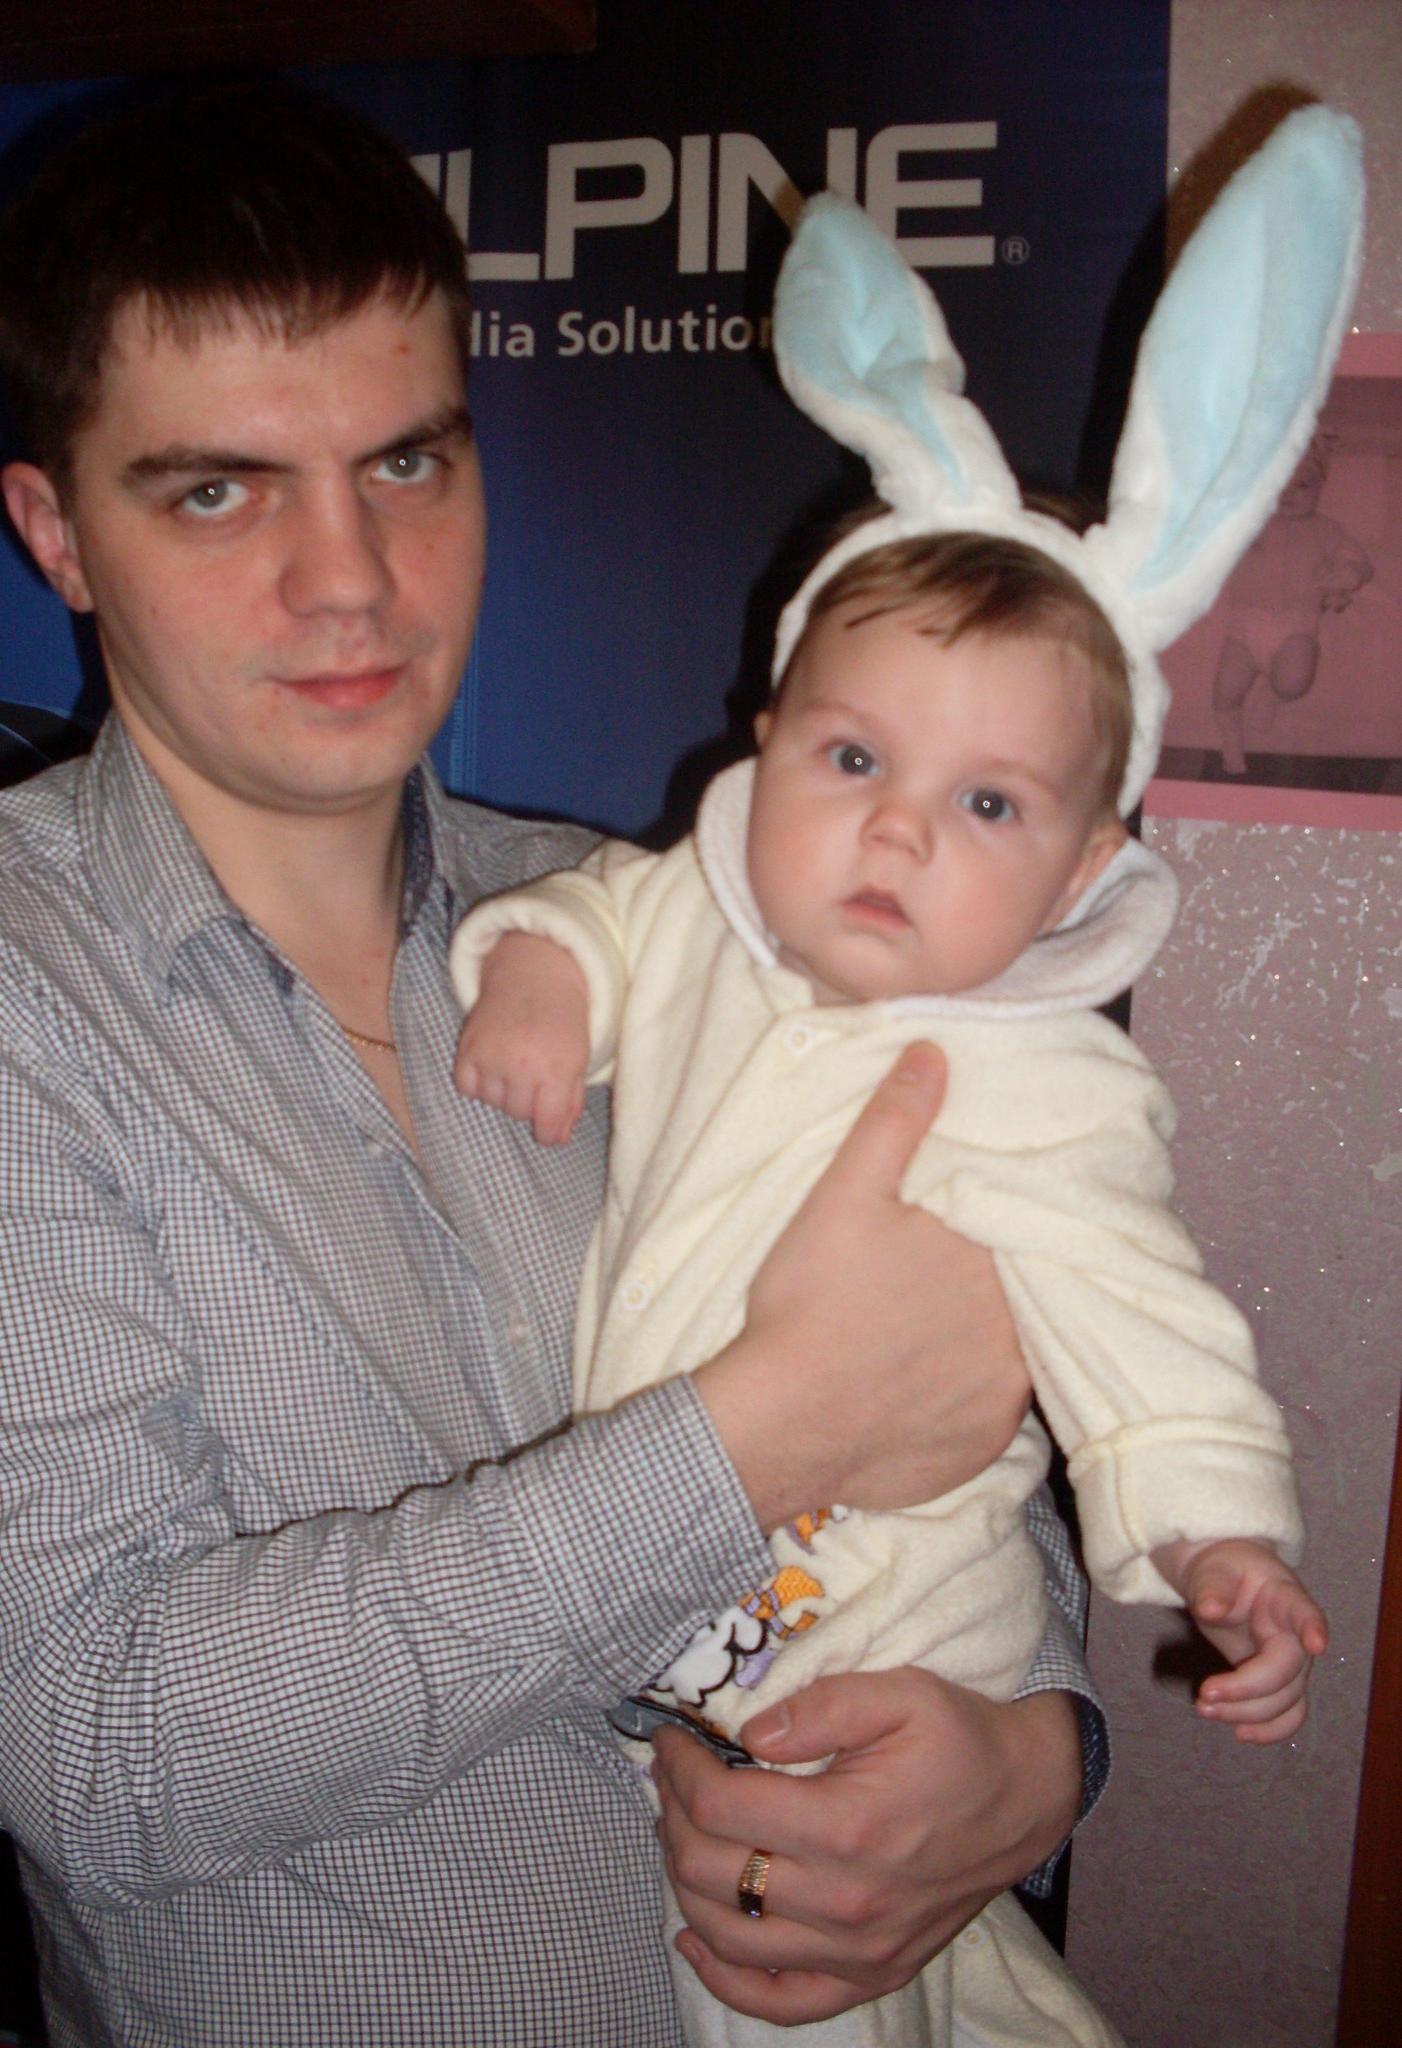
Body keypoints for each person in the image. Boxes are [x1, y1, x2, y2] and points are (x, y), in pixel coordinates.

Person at [0, 83, 1101, 2048]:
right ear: (56, 533)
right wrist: (750, 1437)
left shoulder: (654, 918)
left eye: (405, 462)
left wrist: (1034, 1746)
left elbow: (946, 1413)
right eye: (217, 492)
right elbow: (91, 1733)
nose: (348, 578)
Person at [450, 147, 1359, 2048]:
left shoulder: (1052, 1081)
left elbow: (1140, 1321)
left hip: (886, 1602)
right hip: (672, 1593)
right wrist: (536, 973)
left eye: (988, 802)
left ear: (1086, 870)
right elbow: (594, 921)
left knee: (803, 1973)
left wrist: (1221, 1540)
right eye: (855, 756)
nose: (896, 831)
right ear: (768, 733)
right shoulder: (690, 911)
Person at [1211, 437, 1374, 774]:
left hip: (1295, 627)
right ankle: (1232, 742)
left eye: (1302, 485)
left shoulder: (1326, 530)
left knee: (1295, 682)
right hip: (1244, 627)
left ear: (1320, 489)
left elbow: (1358, 562)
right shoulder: (1250, 524)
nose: (1287, 493)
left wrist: (1347, 576)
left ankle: (1272, 695)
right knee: (1224, 691)